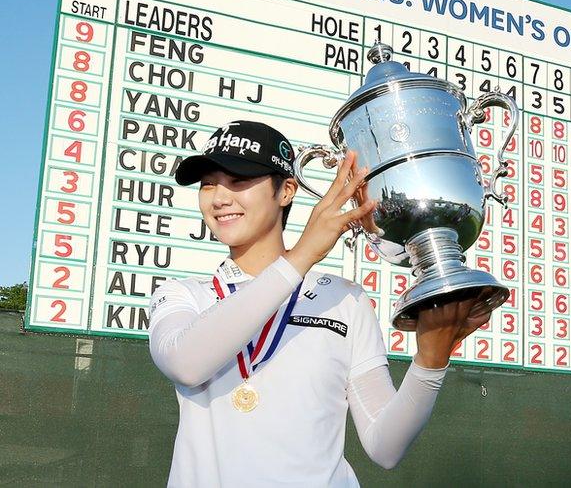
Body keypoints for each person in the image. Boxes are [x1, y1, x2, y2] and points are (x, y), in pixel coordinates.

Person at [148, 120, 489, 486]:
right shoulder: (181, 294)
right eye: (209, 184)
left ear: (286, 191)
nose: (219, 198)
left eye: (240, 180)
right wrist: (303, 255)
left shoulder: (344, 299)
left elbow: (384, 447)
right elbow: (186, 363)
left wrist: (430, 362)